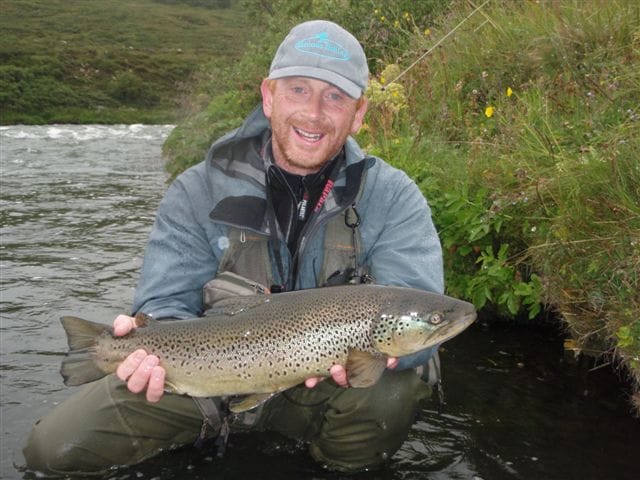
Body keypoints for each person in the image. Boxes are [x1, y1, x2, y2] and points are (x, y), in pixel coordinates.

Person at [23, 20, 444, 475]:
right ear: (268, 96)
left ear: (358, 113)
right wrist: (146, 347)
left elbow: (415, 307)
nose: (315, 113)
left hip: (325, 384)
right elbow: (166, 301)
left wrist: (390, 355)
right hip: (205, 380)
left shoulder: (393, 196)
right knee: (51, 452)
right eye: (299, 90)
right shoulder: (196, 190)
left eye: (335, 97)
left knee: (391, 387)